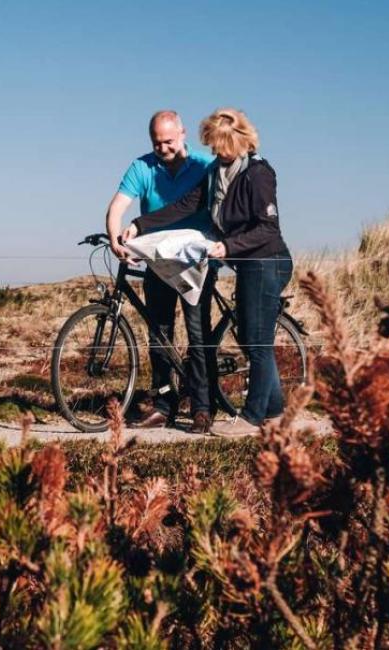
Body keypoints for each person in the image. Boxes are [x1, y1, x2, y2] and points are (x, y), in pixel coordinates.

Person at [121, 108, 292, 436]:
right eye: (211, 146)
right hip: (246, 264)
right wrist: (139, 224)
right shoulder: (217, 171)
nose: (213, 151)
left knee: (256, 343)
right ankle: (275, 412)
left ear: (235, 141)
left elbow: (268, 229)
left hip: (266, 261)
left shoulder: (258, 174)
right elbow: (185, 205)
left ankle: (254, 416)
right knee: (250, 337)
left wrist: (228, 246)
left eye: (218, 145)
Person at [103, 110, 217, 432]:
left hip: (196, 263)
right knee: (159, 334)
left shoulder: (203, 166)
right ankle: (164, 405)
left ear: (182, 134)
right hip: (158, 262)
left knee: (198, 334)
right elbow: (117, 207)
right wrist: (115, 238)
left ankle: (202, 407)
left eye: (168, 141)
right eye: (157, 143)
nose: (163, 148)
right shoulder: (142, 167)